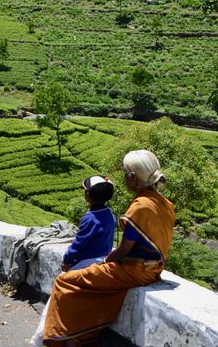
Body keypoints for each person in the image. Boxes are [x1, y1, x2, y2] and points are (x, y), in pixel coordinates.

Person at [42, 149, 175, 347]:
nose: (124, 178)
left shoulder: (140, 207)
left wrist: (106, 261)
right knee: (97, 285)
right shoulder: (164, 203)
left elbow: (124, 250)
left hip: (136, 269)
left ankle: (57, 339)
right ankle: (85, 335)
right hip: (153, 268)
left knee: (65, 282)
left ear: (133, 178)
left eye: (125, 174)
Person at [30, 175, 117, 346]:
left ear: (88, 196)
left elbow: (78, 244)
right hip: (101, 263)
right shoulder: (109, 215)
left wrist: (67, 260)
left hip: (84, 264)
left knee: (56, 298)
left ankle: (43, 337)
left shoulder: (89, 218)